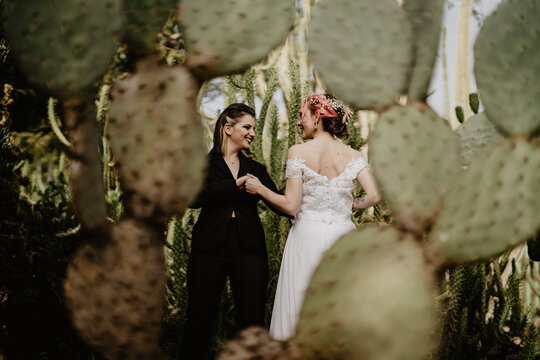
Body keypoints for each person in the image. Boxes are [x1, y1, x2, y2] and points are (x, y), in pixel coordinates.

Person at [244, 94, 382, 340]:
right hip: (343, 239)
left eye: (302, 115)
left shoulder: (298, 151)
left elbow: (290, 206)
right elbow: (374, 195)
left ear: (317, 117)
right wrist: (350, 204)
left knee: (301, 308)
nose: (299, 122)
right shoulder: (353, 156)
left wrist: (261, 189)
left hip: (307, 238)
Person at [182, 103, 287, 359]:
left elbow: (280, 204)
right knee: (200, 318)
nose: (252, 132)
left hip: (250, 249)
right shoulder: (204, 165)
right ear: (228, 128)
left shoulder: (256, 170)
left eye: (254, 128)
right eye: (247, 127)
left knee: (251, 323)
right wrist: (233, 185)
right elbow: (192, 197)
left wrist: (263, 189)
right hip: (209, 248)